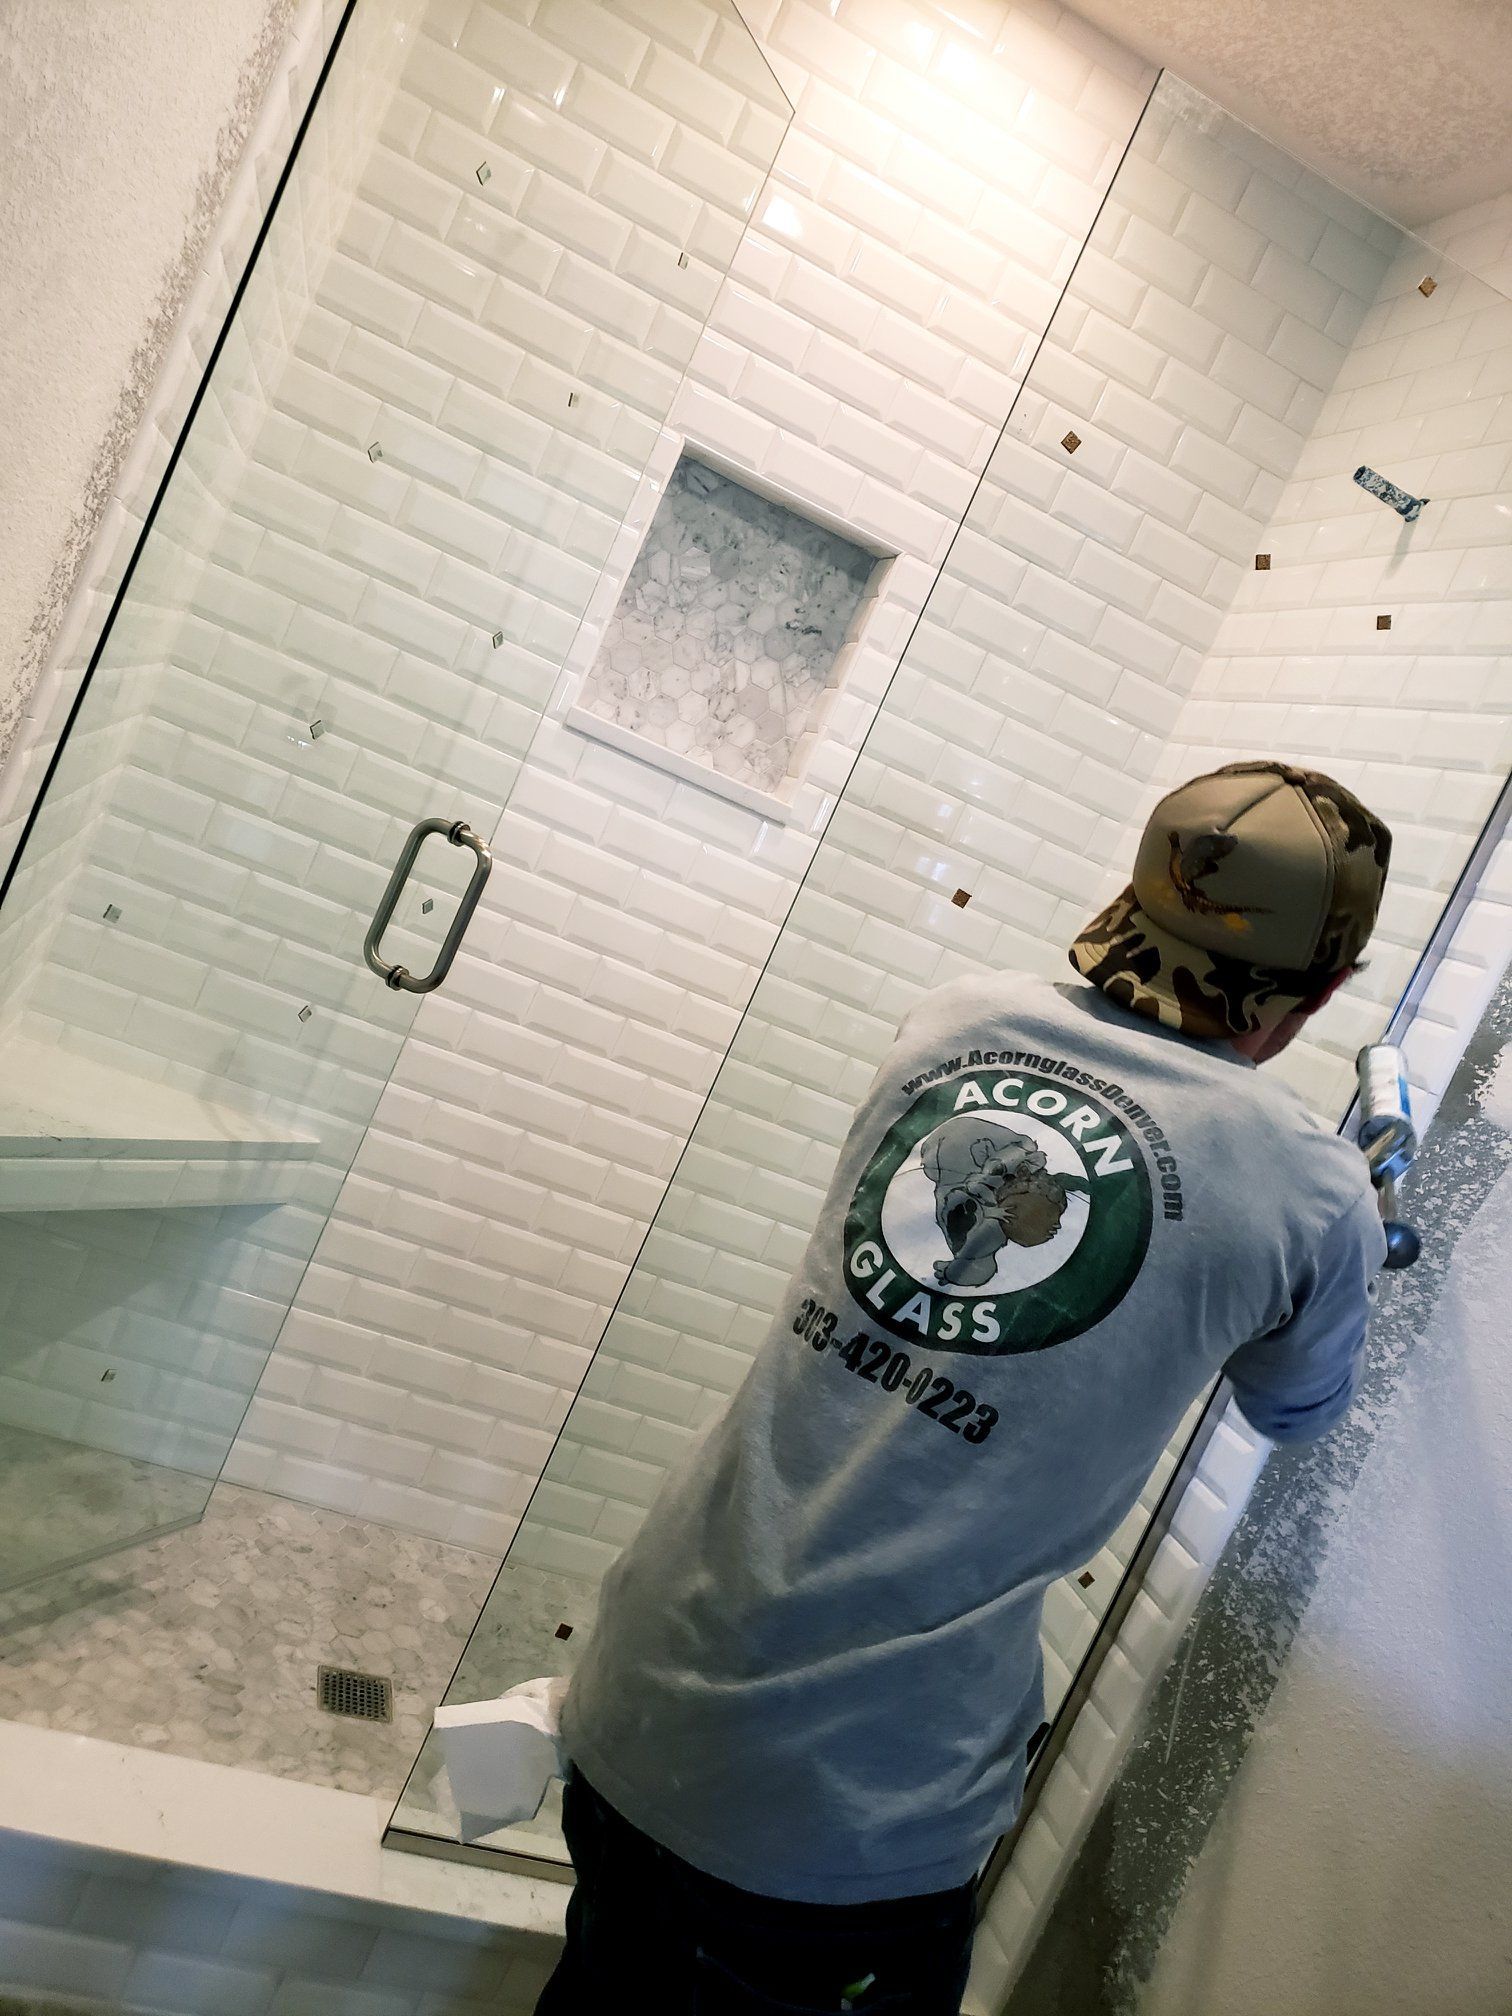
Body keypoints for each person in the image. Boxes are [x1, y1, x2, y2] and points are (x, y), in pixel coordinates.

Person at [536, 760, 1392, 2015]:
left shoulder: (950, 1017)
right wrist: (1354, 1235)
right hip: (844, 1816)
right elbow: (1296, 1412)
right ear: (1318, 994)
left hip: (641, 1697)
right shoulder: (1312, 1194)